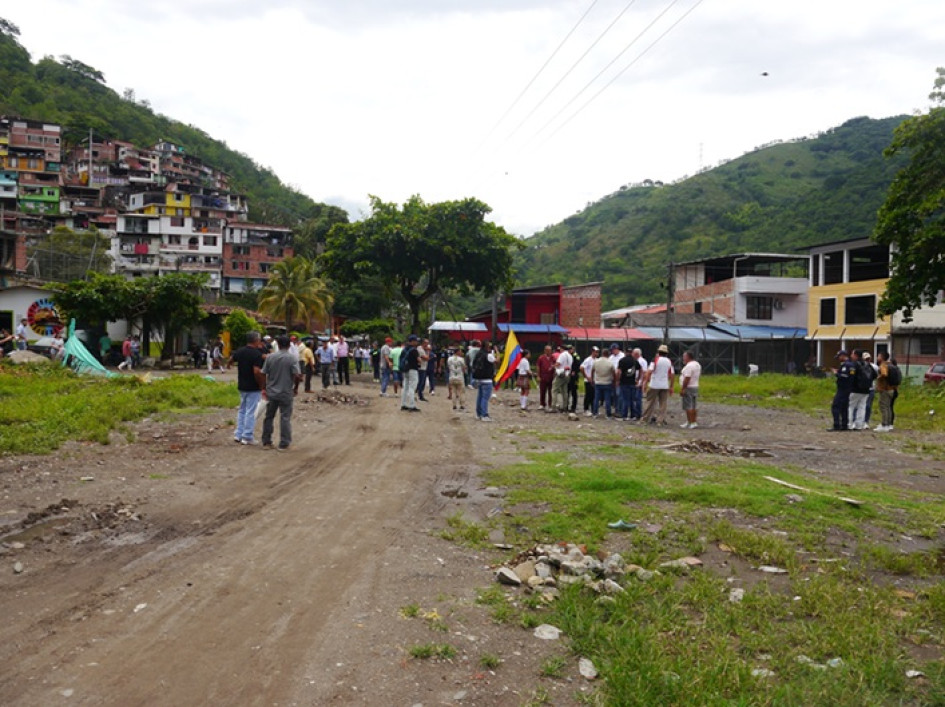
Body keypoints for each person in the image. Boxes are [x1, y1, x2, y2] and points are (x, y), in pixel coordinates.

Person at [260, 335, 302, 451]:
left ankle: (266, 442)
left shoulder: (270, 357)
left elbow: (263, 373)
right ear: (289, 345)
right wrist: (295, 388)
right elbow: (297, 375)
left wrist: (264, 388)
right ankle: (284, 443)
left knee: (269, 417)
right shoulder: (292, 358)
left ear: (278, 345)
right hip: (286, 392)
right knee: (285, 417)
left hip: (271, 392)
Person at [230, 332, 266, 445]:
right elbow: (256, 371)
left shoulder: (240, 351)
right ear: (256, 340)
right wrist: (261, 384)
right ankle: (247, 436)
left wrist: (228, 365)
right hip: (253, 386)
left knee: (242, 410)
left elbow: (232, 359)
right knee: (251, 412)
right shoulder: (256, 354)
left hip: (242, 384)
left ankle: (238, 434)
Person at [640, 344, 674, 425]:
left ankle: (645, 419)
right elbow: (672, 374)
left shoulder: (655, 360)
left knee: (650, 402)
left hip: (654, 384)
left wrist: (645, 382)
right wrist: (671, 386)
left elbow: (649, 371)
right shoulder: (669, 361)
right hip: (664, 385)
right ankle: (660, 420)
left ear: (659, 352)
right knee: (663, 403)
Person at [829, 349, 855, 431]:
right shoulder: (852, 365)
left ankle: (836, 425)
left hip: (842, 388)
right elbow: (851, 376)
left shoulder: (845, 365)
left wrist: (836, 373)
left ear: (843, 356)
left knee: (835, 406)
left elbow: (844, 376)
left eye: (839, 357)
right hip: (849, 389)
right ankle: (844, 425)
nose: (838, 359)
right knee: (844, 407)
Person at [847, 349, 873, 430]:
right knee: (862, 407)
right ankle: (859, 425)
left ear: (855, 355)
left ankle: (849, 424)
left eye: (852, 354)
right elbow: (874, 374)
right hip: (866, 390)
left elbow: (851, 375)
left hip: (855, 389)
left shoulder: (854, 365)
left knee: (851, 406)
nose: (851, 356)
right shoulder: (868, 365)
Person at [874, 351, 900, 432]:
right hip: (892, 389)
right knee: (888, 407)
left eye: (878, 356)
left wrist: (878, 377)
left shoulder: (883, 365)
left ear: (882, 357)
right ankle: (888, 424)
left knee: (884, 407)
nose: (877, 357)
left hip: (885, 389)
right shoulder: (891, 365)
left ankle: (884, 424)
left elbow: (884, 374)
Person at [471, 341, 497, 421]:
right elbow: (497, 361)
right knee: (485, 398)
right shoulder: (488, 355)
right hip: (487, 379)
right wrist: (497, 351)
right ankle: (484, 415)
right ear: (487, 346)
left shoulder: (478, 354)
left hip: (478, 379)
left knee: (480, 397)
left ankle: (478, 414)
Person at [678, 350, 702, 429]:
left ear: (688, 357)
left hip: (688, 387)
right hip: (695, 386)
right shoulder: (697, 364)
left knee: (688, 406)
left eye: (684, 356)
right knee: (693, 405)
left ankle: (692, 422)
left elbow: (687, 378)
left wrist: (683, 388)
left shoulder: (689, 366)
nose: (683, 358)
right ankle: (691, 421)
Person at [617, 348, 642, 421]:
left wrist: (618, 380)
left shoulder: (622, 360)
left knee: (625, 399)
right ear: (631, 352)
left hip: (624, 382)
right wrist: (638, 379)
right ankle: (633, 415)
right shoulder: (635, 361)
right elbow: (641, 369)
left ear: (625, 352)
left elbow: (619, 372)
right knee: (632, 400)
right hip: (632, 383)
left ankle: (624, 415)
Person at [592, 348, 616, 417]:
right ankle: (608, 414)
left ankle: (595, 413)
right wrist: (614, 381)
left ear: (602, 353)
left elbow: (592, 371)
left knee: (596, 398)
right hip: (607, 382)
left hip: (598, 382)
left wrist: (593, 379)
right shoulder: (610, 363)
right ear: (608, 354)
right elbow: (613, 373)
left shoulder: (596, 361)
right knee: (607, 399)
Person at [401, 334, 421, 412]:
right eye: (416, 341)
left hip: (405, 370)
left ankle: (403, 404)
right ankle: (411, 405)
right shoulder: (414, 350)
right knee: (412, 387)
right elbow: (419, 360)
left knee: (405, 387)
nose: (417, 342)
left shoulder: (404, 349)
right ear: (412, 341)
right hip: (413, 369)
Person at [552, 345, 573, 412]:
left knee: (554, 389)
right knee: (564, 391)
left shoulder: (562, 355)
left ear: (562, 349)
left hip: (561, 373)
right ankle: (565, 406)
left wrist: (553, 366)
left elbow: (558, 364)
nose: (559, 350)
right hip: (567, 374)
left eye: (560, 349)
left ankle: (553, 407)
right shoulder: (570, 356)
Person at [861, 351, 879, 428]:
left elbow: (878, 376)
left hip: (871, 388)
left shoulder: (874, 367)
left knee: (868, 405)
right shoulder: (860, 366)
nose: (867, 360)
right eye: (865, 359)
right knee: (861, 405)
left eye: (868, 358)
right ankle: (860, 420)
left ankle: (866, 421)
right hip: (862, 388)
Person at [448, 346, 467, 411]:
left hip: (452, 376)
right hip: (459, 377)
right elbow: (464, 368)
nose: (461, 353)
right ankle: (462, 405)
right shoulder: (461, 359)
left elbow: (449, 367)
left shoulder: (449, 359)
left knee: (453, 392)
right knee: (461, 392)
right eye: (460, 351)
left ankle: (454, 405)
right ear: (458, 352)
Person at [537, 345, 556, 410]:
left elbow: (555, 366)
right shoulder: (541, 358)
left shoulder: (553, 358)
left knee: (551, 391)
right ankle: (542, 404)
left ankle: (550, 404)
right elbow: (538, 367)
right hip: (543, 376)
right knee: (542, 391)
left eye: (550, 350)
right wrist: (538, 376)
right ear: (545, 350)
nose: (548, 352)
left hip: (551, 377)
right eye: (547, 350)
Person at [581, 347, 598, 416]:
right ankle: (586, 409)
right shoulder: (588, 360)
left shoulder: (596, 360)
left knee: (593, 395)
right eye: (596, 352)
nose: (597, 353)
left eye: (597, 352)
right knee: (588, 395)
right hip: (588, 380)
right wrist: (586, 377)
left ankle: (593, 409)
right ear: (592, 352)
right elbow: (581, 368)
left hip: (594, 380)